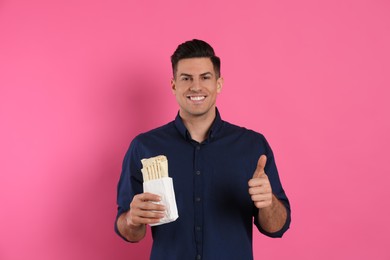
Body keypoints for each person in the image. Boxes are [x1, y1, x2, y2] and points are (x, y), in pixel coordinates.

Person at [115, 39, 291, 260]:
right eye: (186, 78)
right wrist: (133, 218)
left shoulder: (252, 146)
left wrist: (268, 202)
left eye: (205, 77)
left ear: (218, 84)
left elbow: (277, 227)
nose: (196, 86)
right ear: (173, 85)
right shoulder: (145, 146)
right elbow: (129, 232)